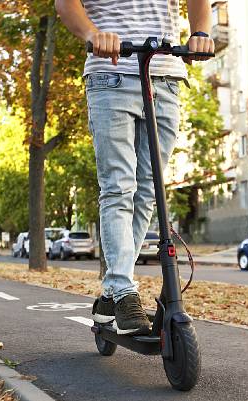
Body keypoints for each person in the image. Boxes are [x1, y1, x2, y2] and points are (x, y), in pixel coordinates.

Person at [55, 0, 214, 335]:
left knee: (147, 193)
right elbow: (65, 3)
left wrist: (201, 32)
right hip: (110, 73)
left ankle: (111, 295)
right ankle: (124, 292)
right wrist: (93, 33)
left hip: (167, 78)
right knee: (118, 188)